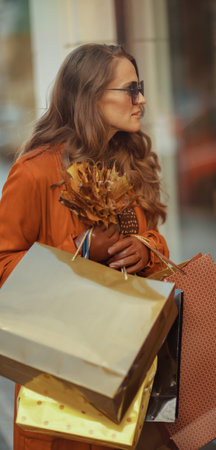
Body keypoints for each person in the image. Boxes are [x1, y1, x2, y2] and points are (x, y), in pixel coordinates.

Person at [0, 43, 169, 450]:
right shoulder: (37, 170)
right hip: (63, 377)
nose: (141, 99)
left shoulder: (129, 160)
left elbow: (156, 243)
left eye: (140, 87)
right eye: (130, 89)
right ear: (91, 95)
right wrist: (78, 254)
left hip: (132, 364)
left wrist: (145, 248)